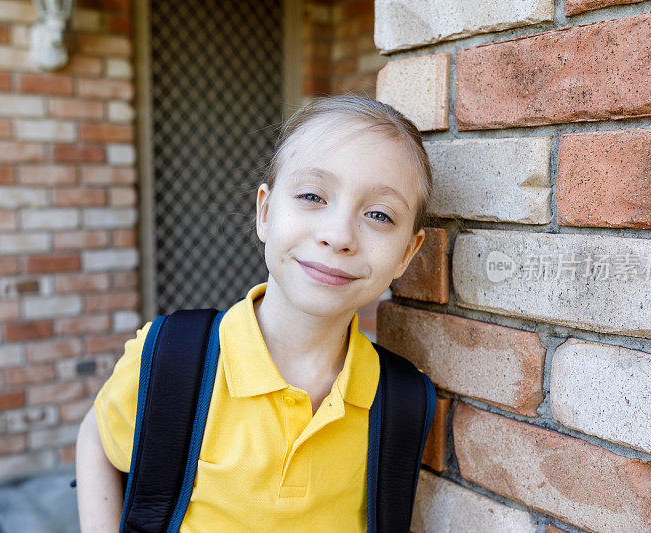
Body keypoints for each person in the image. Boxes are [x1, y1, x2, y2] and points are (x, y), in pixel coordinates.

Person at [75, 94, 433, 532]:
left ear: (406, 255)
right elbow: (98, 434)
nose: (339, 236)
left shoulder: (401, 402)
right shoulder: (172, 361)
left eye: (379, 214)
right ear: (264, 212)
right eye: (312, 195)